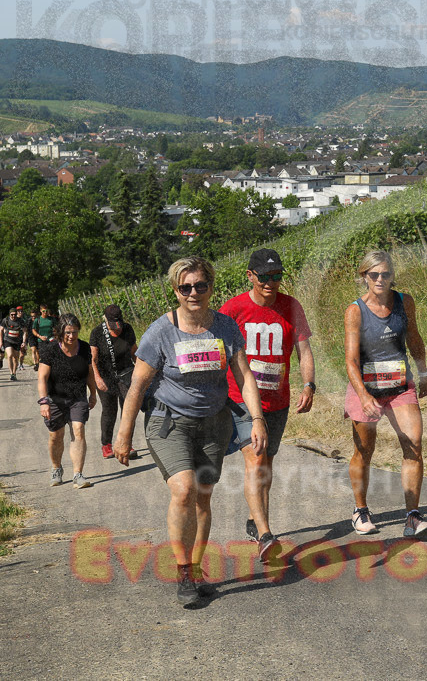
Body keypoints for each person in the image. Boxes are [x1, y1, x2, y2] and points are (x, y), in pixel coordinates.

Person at [114, 256, 267, 607]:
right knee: (184, 489)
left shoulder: (225, 327)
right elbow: (137, 385)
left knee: (203, 496)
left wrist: (257, 418)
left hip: (214, 424)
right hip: (169, 422)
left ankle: (196, 570)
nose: (193, 293)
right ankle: (183, 571)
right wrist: (124, 434)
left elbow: (244, 376)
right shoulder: (160, 332)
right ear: (175, 291)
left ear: (211, 287)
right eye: (185, 287)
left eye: (200, 285)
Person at [220, 248, 315, 559]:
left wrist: (309, 384)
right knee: (257, 459)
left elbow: (304, 350)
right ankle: (265, 534)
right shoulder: (233, 310)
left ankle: (254, 517)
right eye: (264, 277)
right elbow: (216, 351)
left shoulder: (291, 307)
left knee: (267, 465)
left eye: (276, 276)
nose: (270, 283)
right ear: (250, 276)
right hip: (241, 400)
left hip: (278, 400)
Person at [343, 250, 427, 538]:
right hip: (366, 387)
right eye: (374, 275)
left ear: (393, 276)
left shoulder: (404, 302)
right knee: (364, 450)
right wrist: (363, 395)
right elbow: (350, 360)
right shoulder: (355, 311)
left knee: (414, 444)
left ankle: (412, 517)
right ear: (364, 277)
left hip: (399, 385)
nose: (380, 279)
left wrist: (423, 373)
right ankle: (360, 510)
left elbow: (414, 337)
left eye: (385, 274)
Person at [38, 314, 98, 489]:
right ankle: (56, 468)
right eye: (68, 333)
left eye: (75, 332)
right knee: (56, 436)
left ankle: (78, 475)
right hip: (55, 399)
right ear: (60, 333)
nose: (72, 336)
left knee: (78, 430)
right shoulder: (50, 350)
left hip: (77, 397)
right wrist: (44, 401)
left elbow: (89, 374)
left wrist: (93, 394)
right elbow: (42, 378)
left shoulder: (84, 348)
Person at [89, 304, 138, 460]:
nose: (117, 329)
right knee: (110, 410)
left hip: (126, 373)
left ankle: (126, 443)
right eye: (113, 326)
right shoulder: (97, 333)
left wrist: (141, 373)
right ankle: (107, 444)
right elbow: (93, 359)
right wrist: (97, 379)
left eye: (119, 325)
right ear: (105, 320)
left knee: (128, 409)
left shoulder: (128, 329)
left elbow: (134, 353)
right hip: (105, 375)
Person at [1, 306, 27, 379]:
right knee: (10, 355)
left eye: (15, 314)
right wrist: (0, 341)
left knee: (15, 358)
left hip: (17, 342)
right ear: (9, 314)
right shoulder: (5, 320)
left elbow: (25, 332)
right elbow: (1, 330)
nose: (13, 316)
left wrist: (24, 342)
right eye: (12, 314)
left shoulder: (21, 321)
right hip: (8, 340)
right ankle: (11, 373)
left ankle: (14, 373)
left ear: (17, 314)